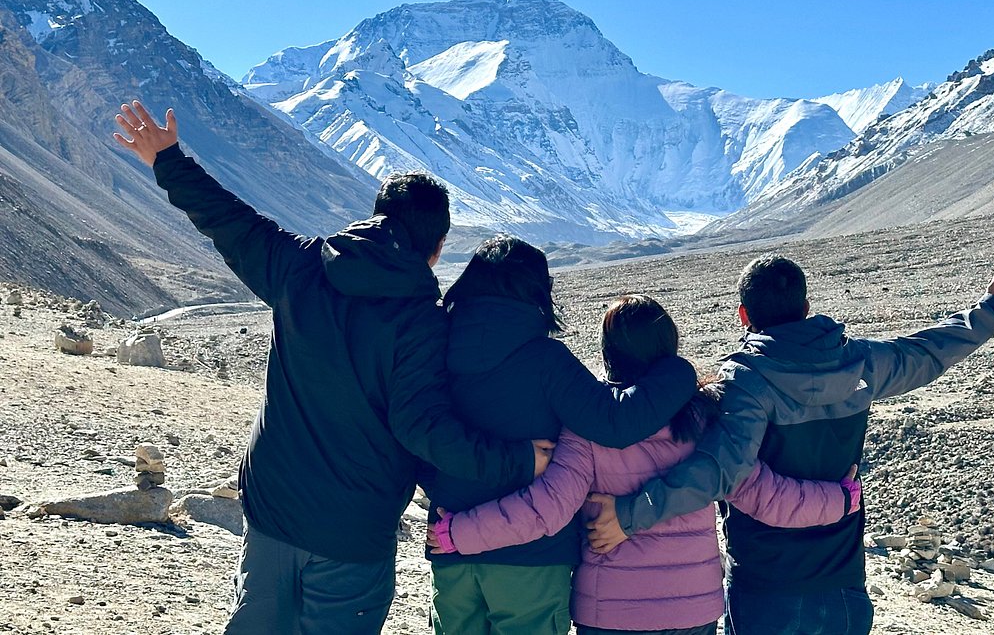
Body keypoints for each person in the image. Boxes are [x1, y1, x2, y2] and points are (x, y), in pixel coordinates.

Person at [112, 101, 553, 635]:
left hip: (273, 507)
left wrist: (168, 160)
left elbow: (231, 223)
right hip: (353, 532)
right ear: (436, 248)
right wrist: (517, 461)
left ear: (375, 218)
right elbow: (423, 430)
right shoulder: (421, 322)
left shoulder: (301, 267)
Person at [586, 257, 994, 635]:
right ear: (806, 307)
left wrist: (629, 515)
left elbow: (719, 471)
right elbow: (924, 352)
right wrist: (990, 312)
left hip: (769, 584)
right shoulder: (858, 360)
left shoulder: (743, 381)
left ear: (744, 316)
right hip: (844, 580)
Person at [427, 293, 862, 635]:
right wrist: (838, 500)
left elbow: (548, 506)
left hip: (612, 610)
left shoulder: (587, 428)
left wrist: (457, 533)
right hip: (694, 607)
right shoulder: (704, 417)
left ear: (610, 354)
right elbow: (764, 494)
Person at [420, 240, 701, 635]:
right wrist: (679, 372)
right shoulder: (546, 360)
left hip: (449, 544)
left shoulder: (432, 350)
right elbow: (615, 421)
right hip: (530, 561)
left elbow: (411, 429)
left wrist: (442, 489)